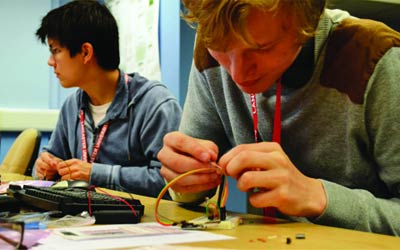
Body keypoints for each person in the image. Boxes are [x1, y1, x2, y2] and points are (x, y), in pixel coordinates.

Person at [157, 0, 400, 235]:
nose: (238, 73)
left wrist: (318, 196)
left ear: (308, 22)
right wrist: (184, 182)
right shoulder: (212, 48)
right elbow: (186, 195)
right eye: (220, 47)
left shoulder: (375, 61)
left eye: (262, 47)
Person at [33, 0, 181, 198]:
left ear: (86, 52)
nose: (50, 62)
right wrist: (44, 167)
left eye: (56, 51)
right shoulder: (72, 106)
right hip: (83, 220)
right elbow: (51, 158)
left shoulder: (154, 103)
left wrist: (95, 174)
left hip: (143, 223)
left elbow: (171, 183)